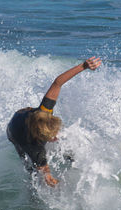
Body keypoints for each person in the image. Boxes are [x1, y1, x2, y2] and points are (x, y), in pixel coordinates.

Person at [7, 56, 102, 187]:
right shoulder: (33, 146)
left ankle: (72, 160)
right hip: (14, 133)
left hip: (23, 114)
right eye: (53, 136)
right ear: (40, 138)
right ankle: (32, 193)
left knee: (60, 147)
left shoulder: (45, 111)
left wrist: (83, 66)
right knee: (31, 167)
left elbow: (58, 82)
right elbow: (44, 168)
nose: (57, 136)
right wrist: (49, 177)